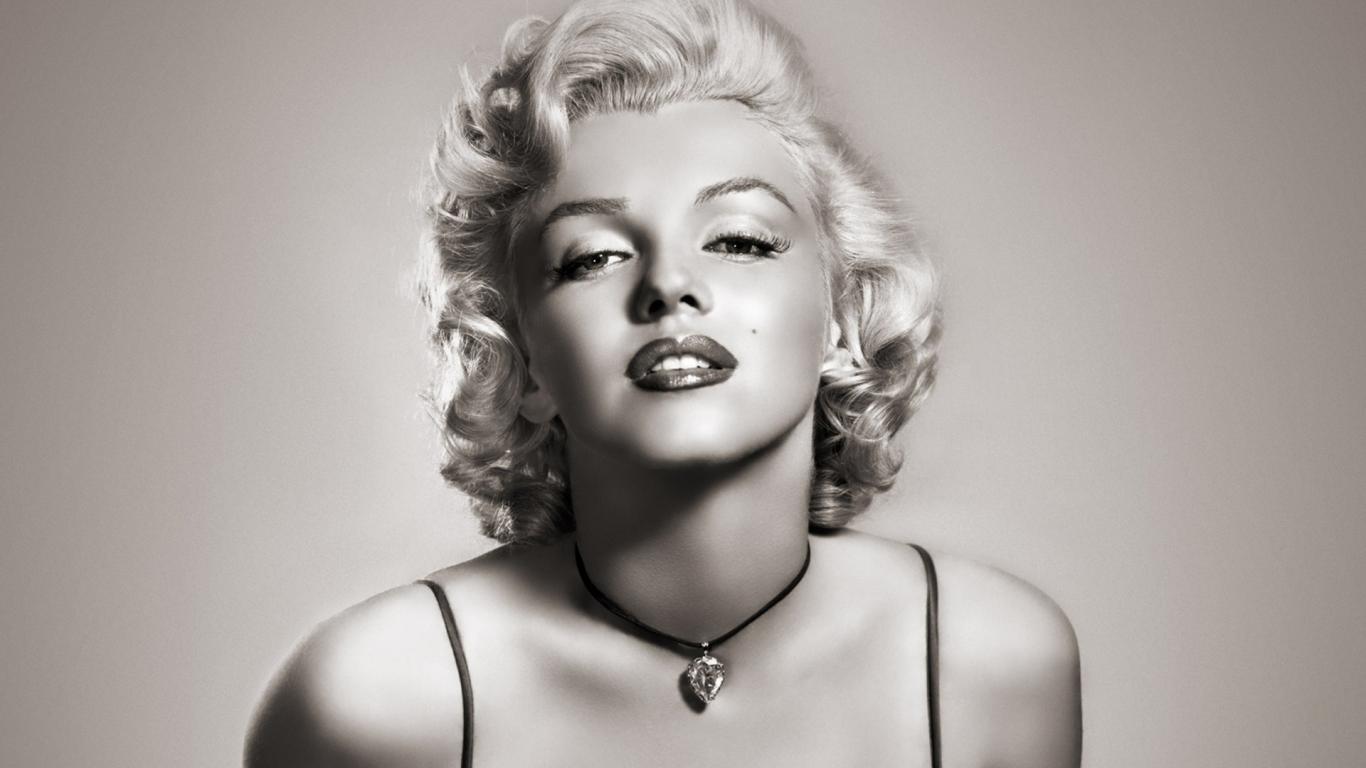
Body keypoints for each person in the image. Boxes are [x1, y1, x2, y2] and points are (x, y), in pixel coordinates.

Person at [245, 0, 1082, 765]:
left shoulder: (986, 662)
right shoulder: (375, 704)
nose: (670, 286)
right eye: (593, 257)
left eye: (740, 240)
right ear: (521, 359)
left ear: (840, 310)